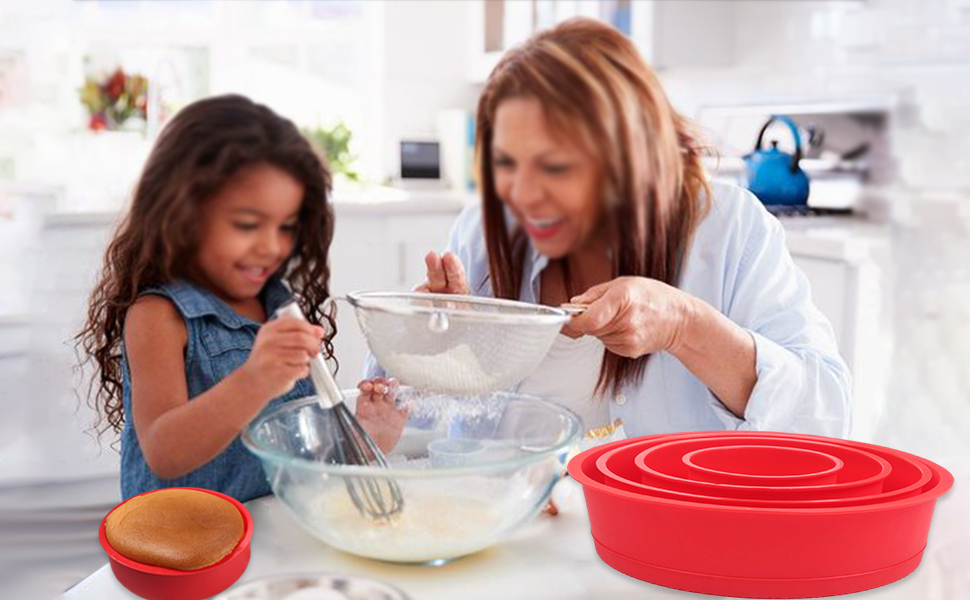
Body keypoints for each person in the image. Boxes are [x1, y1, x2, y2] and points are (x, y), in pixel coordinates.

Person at [369, 18, 851, 443]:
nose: (524, 195)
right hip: (508, 532)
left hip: (665, 541)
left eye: (556, 167)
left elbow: (825, 421)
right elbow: (401, 434)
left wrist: (685, 326)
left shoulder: (729, 231)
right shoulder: (482, 233)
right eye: (506, 163)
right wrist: (432, 345)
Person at [77, 95, 405, 502]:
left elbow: (294, 453)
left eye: (286, 227)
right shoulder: (159, 316)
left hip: (270, 532)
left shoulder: (279, 306)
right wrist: (255, 380)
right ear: (183, 214)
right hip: (183, 546)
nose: (271, 246)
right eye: (248, 224)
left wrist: (365, 441)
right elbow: (164, 451)